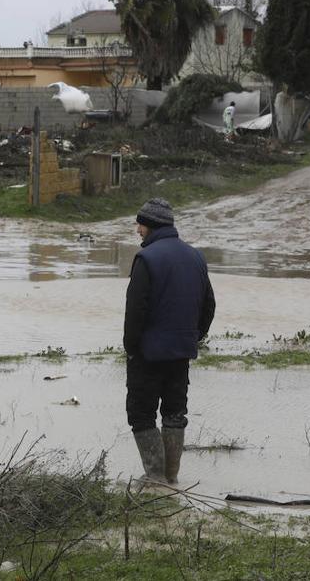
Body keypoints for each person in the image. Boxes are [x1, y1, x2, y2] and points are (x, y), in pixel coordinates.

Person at [124, 198, 216, 485]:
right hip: (181, 353)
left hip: (148, 354)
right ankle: (172, 476)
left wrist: (131, 348)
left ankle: (155, 476)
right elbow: (209, 305)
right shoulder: (195, 257)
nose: (138, 230)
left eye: (140, 224)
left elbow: (135, 310)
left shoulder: (146, 259)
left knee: (141, 413)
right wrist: (194, 336)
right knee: (175, 412)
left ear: (151, 226)